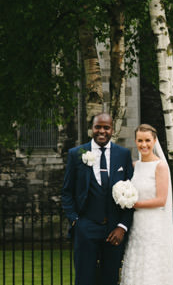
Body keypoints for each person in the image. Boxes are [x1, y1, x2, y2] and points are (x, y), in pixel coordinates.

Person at [62, 112, 136, 285]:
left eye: (106, 127)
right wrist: (75, 221)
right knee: (84, 279)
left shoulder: (123, 154)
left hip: (114, 231)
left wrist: (122, 226)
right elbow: (67, 192)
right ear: (92, 129)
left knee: (110, 279)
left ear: (112, 130)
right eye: (98, 127)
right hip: (86, 228)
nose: (102, 131)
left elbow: (132, 193)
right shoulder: (77, 153)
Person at [119, 124, 173, 285]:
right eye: (140, 140)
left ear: (154, 141)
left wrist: (134, 204)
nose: (143, 144)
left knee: (151, 265)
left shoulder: (160, 166)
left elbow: (161, 200)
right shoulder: (134, 166)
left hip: (153, 225)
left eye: (147, 140)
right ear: (135, 141)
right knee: (137, 263)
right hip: (137, 225)